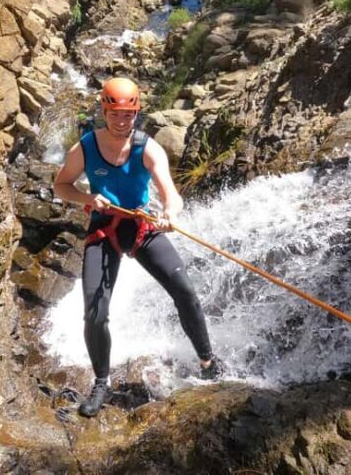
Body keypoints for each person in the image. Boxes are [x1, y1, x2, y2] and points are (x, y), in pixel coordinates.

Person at [53, 77, 224, 418]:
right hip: (104, 229)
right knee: (95, 313)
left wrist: (170, 214)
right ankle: (101, 382)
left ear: (136, 114)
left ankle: (208, 362)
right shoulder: (86, 147)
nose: (122, 121)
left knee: (185, 291)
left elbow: (171, 194)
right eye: (115, 114)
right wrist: (88, 197)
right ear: (104, 112)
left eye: (128, 115)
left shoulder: (147, 147)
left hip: (141, 226)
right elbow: (61, 185)